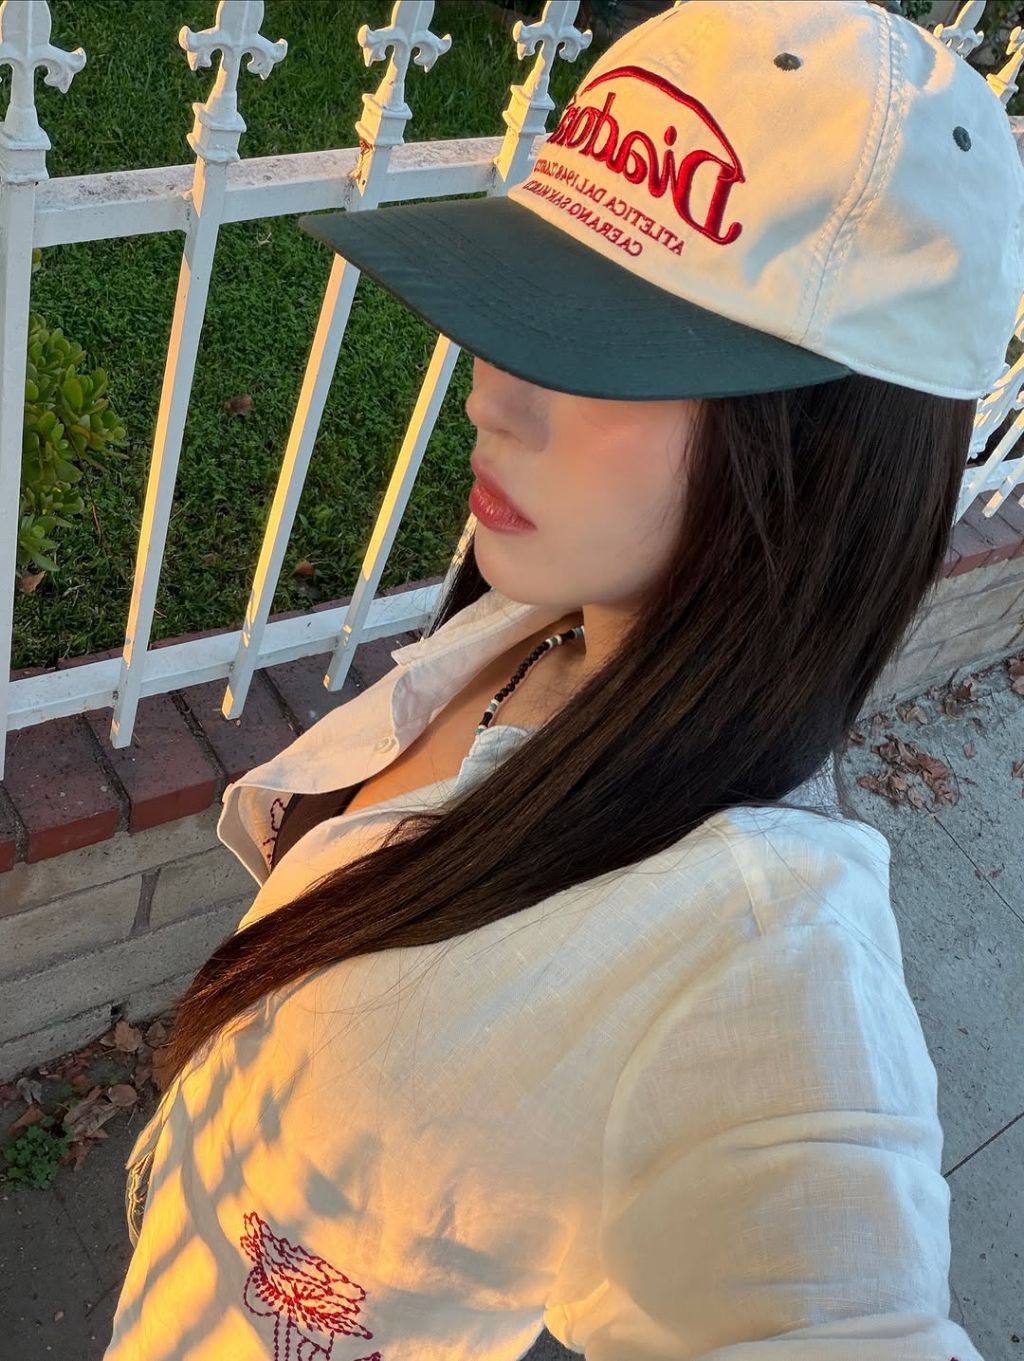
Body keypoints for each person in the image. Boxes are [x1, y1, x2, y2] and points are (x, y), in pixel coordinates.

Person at [104, 2, 1023, 1358]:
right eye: (532, 300)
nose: (493, 397)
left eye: (611, 350)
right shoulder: (545, 628)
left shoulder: (769, 968)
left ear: (827, 449)